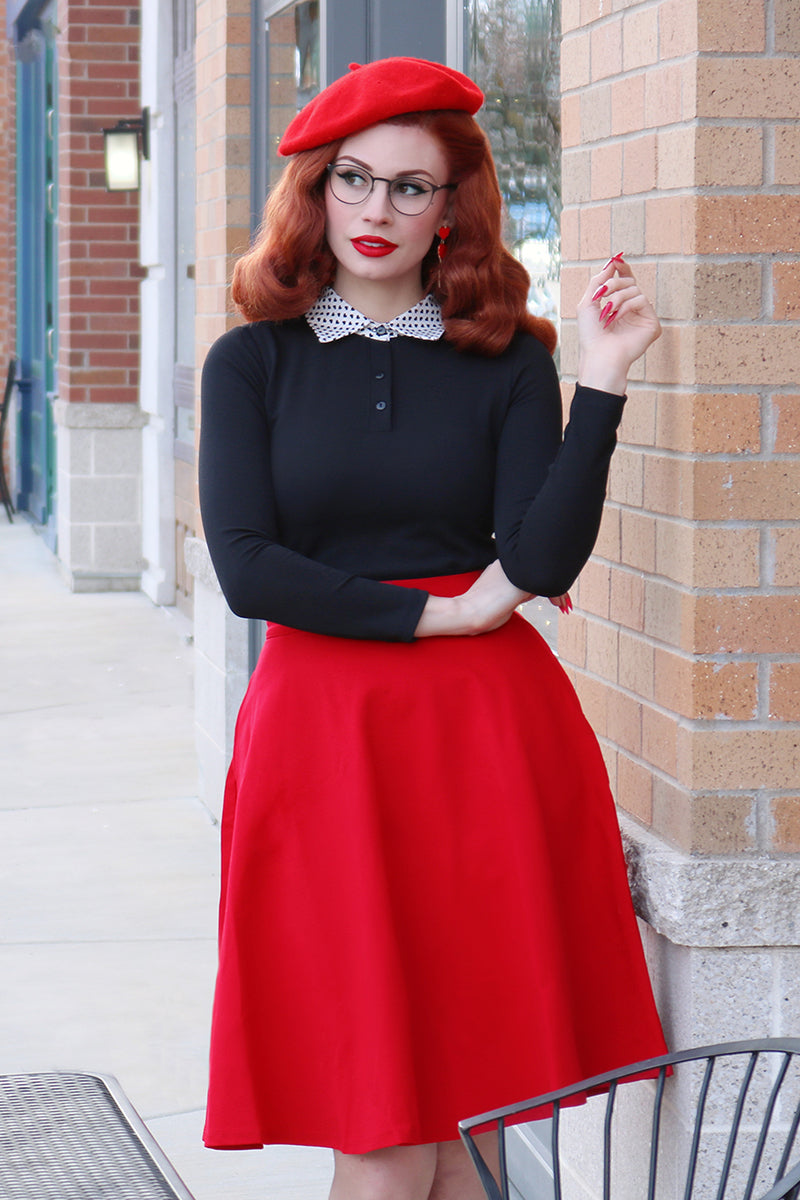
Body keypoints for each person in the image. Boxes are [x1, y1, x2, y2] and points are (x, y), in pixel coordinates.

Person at [199, 56, 667, 1200]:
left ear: (453, 206)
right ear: (313, 192)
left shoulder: (510, 359)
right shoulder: (250, 361)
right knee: (380, 1117)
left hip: (484, 740)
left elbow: (541, 554)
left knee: (473, 1113)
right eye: (352, 180)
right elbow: (248, 570)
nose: (376, 211)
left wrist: (599, 383)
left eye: (412, 187)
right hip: (325, 738)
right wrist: (444, 611)